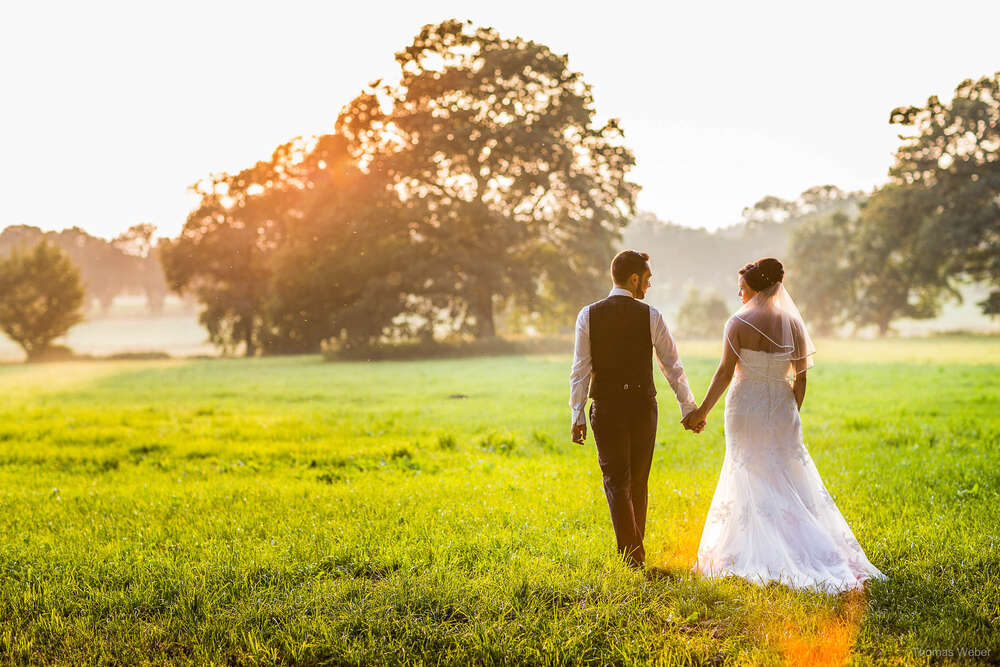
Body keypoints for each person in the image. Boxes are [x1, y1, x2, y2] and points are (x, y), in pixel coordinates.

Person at [686, 257, 887, 592]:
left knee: (747, 471)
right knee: (786, 474)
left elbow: (724, 372)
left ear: (754, 286)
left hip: (745, 406)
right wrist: (789, 412)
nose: (739, 293)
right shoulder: (793, 324)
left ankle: (752, 548)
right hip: (781, 406)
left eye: (742, 287)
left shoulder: (736, 323)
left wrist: (702, 411)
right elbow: (801, 379)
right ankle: (807, 545)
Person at [569, 249, 701, 569]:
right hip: (643, 406)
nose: (649, 285)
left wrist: (577, 414)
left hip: (607, 408)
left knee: (617, 481)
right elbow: (673, 367)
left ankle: (631, 556)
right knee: (636, 481)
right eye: (647, 279)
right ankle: (633, 556)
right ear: (633, 279)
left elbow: (580, 369)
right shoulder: (651, 315)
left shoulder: (588, 314)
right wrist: (688, 406)